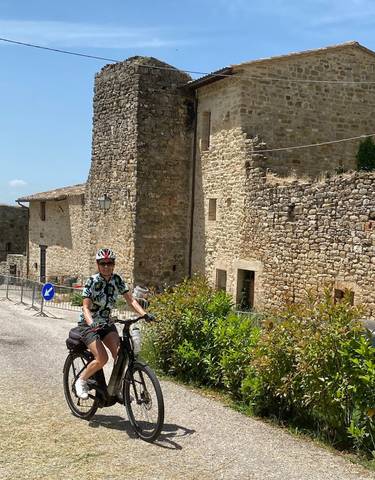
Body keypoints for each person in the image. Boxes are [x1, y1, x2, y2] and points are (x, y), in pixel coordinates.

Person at [75, 247, 153, 399]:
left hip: (105, 323)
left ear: (113, 264)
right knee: (102, 358)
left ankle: (116, 389)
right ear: (98, 265)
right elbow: (85, 307)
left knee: (120, 355)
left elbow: (131, 300)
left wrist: (144, 314)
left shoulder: (117, 280)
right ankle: (81, 380)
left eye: (109, 263)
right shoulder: (92, 281)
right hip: (89, 325)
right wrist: (91, 323)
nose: (106, 266)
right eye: (103, 263)